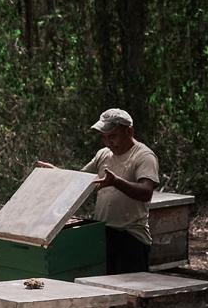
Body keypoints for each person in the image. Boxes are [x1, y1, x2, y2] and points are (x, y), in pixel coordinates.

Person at [37, 108, 158, 274]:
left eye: (113, 136)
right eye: (104, 137)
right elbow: (79, 180)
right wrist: (57, 173)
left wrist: (116, 182)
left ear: (129, 131)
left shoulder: (144, 156)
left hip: (131, 237)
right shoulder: (103, 154)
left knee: (130, 295)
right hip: (102, 234)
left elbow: (146, 192)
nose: (108, 142)